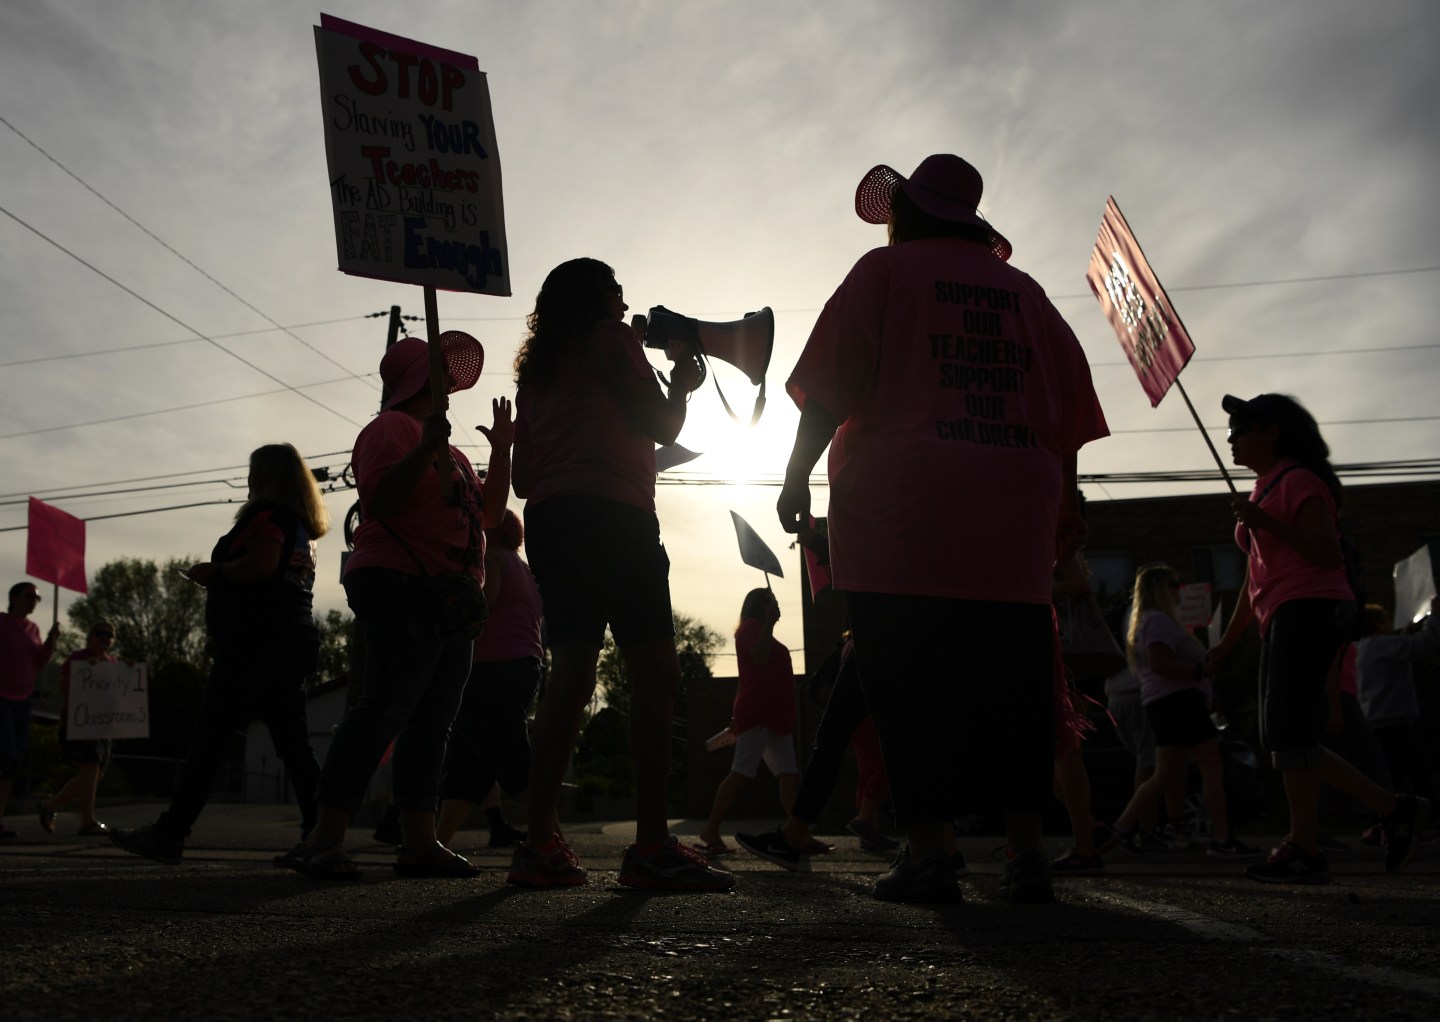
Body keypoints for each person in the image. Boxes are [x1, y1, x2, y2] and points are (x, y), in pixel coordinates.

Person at [777, 154, 1109, 903]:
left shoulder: (881, 275)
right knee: (1016, 685)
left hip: (901, 509)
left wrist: (795, 476)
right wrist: (1063, 507)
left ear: (909, 213)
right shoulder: (1024, 293)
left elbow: (827, 391)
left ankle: (930, 852)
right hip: (1012, 511)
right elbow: (1065, 420)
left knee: (907, 681)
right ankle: (1027, 855)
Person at [507, 257, 732, 891]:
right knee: (655, 674)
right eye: (617, 293)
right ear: (600, 300)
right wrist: (682, 387)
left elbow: (523, 479)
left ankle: (539, 843)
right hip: (615, 517)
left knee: (571, 679)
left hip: (551, 522)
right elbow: (660, 424)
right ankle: (652, 845)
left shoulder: (538, 371)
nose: (624, 305)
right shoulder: (613, 340)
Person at [293, 334, 512, 879]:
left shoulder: (453, 451)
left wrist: (502, 450)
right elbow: (380, 500)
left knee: (433, 721)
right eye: (437, 372)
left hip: (448, 594)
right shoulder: (390, 429)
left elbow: (487, 515)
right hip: (403, 581)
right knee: (386, 708)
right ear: (416, 378)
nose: (447, 385)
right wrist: (423, 449)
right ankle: (324, 836)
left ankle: (419, 839)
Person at [1209, 393, 1430, 883]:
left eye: (1239, 431)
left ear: (1271, 433)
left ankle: (1390, 810)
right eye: (1229, 433)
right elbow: (1254, 581)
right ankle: (1309, 843)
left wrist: (1265, 522)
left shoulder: (1299, 482)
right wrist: (1226, 645)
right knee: (1285, 736)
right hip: (1283, 614)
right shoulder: (1262, 490)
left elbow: (1326, 554)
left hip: (1309, 606)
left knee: (1286, 733)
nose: (1231, 440)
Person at [110, 444, 331, 865]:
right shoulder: (300, 526)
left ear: (265, 477)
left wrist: (216, 573)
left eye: (252, 473)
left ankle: (170, 833)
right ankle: (321, 834)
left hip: (256, 646)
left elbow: (262, 565)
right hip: (286, 641)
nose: (247, 481)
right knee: (294, 745)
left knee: (210, 741)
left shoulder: (267, 518)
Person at [1101, 564, 1256, 859]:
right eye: (1174, 584)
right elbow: (1161, 663)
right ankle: (1223, 839)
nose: (1179, 589)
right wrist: (1201, 669)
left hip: (1164, 704)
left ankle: (1120, 828)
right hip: (1180, 702)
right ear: (1160, 589)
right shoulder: (1158, 621)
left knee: (1163, 775)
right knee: (1212, 769)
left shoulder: (1146, 621)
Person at [436, 509, 543, 849]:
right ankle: (436, 841)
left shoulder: (492, 560)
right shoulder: (525, 569)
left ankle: (550, 841)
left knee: (511, 758)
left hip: (491, 668)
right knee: (469, 764)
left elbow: (483, 606)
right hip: (526, 664)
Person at [694, 588, 799, 855]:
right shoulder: (751, 628)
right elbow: (759, 658)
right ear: (760, 606)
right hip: (760, 715)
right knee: (742, 772)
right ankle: (711, 830)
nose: (774, 607)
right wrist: (771, 624)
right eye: (771, 603)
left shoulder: (757, 629)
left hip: (774, 717)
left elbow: (746, 677)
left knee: (788, 773)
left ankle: (798, 832)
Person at [37, 620, 120, 836]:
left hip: (103, 726)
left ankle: (50, 806)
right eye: (100, 633)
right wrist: (86, 672)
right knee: (90, 768)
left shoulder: (113, 663)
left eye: (109, 635)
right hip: (81, 722)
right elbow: (63, 687)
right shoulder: (78, 659)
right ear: (90, 636)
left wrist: (127, 671)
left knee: (94, 774)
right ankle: (87, 821)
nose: (105, 638)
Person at [1355, 598, 1440, 806]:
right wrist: (1436, 615)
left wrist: (1404, 636)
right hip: (1395, 720)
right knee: (1412, 772)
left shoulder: (1363, 647)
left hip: (1376, 720)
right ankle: (1424, 815)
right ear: (1377, 625)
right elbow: (1425, 644)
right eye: (1385, 620)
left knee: (1395, 772)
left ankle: (1387, 816)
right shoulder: (1386, 645)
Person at [0, 581, 60, 838]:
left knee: (11, 762)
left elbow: (36, 663)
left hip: (22, 700)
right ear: (13, 598)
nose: (33, 601)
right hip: (0, 697)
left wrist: (50, 643)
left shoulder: (33, 629)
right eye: (28, 596)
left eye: (37, 598)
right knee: (5, 752)